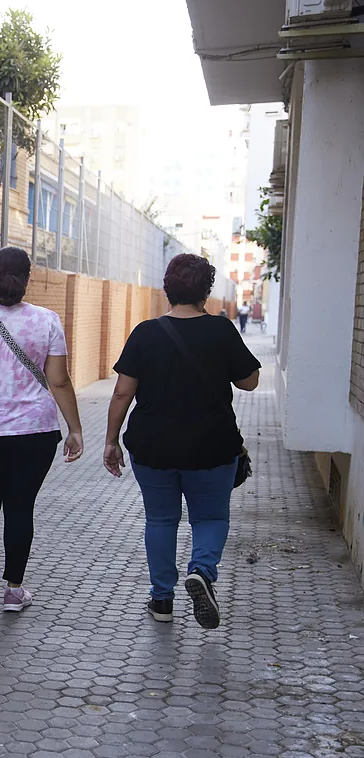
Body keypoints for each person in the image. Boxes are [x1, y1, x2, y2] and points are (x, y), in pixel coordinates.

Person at [104, 254, 261, 629]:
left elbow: (123, 392)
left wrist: (111, 441)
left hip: (152, 446)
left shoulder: (145, 333)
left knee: (160, 520)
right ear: (206, 291)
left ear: (167, 290)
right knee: (210, 517)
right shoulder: (221, 330)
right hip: (212, 446)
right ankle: (202, 572)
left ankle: (161, 600)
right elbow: (250, 381)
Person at [0, 247, 84, 617]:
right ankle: (13, 590)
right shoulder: (47, 321)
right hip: (33, 431)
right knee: (20, 507)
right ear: (28, 278)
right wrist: (74, 428)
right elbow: (59, 381)